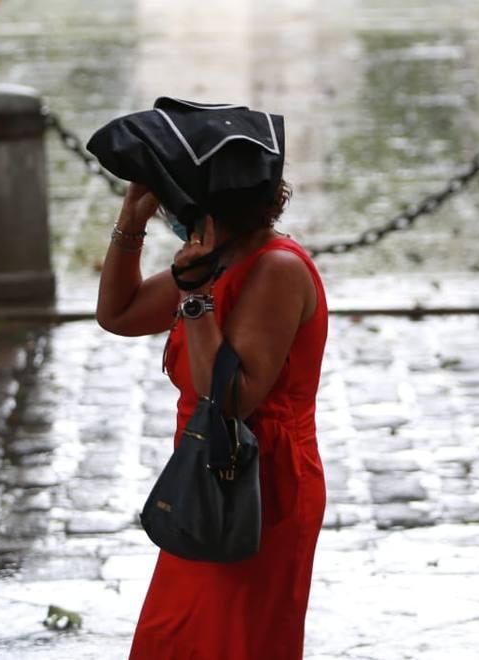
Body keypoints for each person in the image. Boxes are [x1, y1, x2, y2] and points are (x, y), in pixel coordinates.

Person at [89, 99, 327, 660]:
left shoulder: (276, 269)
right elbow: (118, 315)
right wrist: (132, 219)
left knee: (233, 643)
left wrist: (196, 301)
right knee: (173, 640)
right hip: (204, 474)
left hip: (260, 484)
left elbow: (234, 398)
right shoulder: (218, 256)